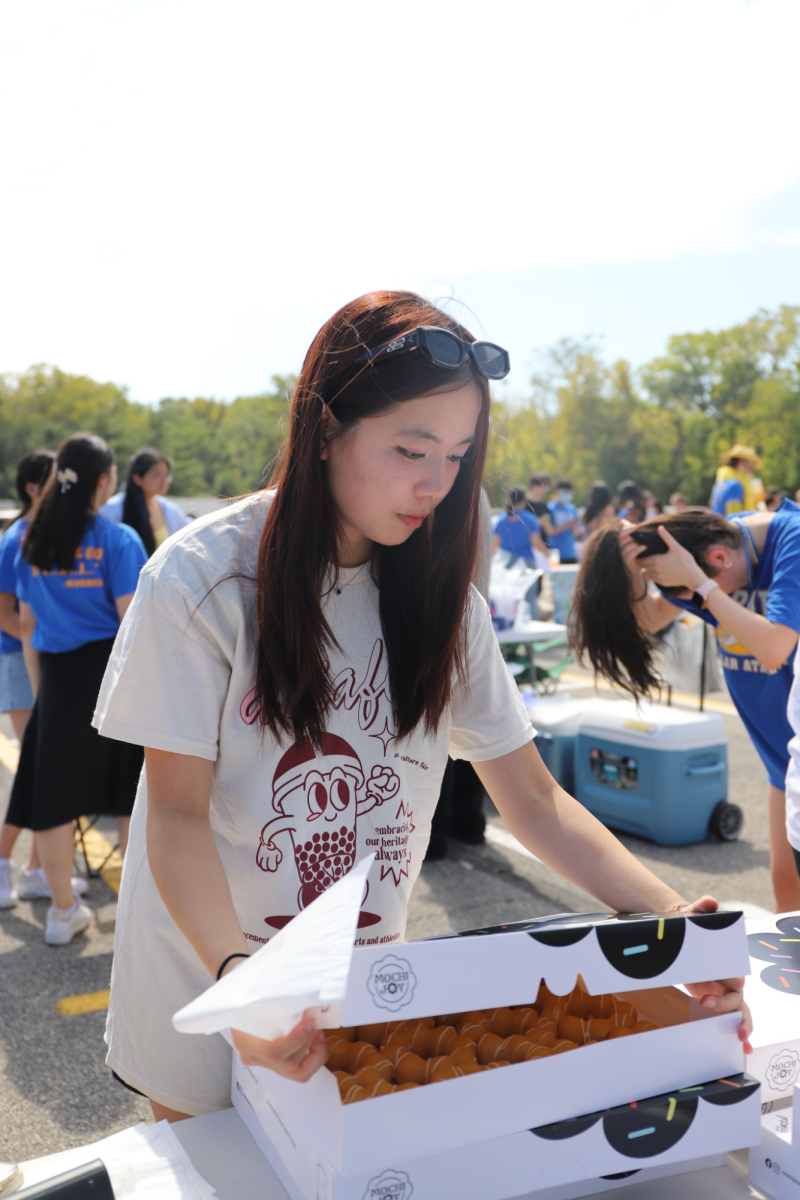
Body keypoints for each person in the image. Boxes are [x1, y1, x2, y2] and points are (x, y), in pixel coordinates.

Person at [91, 291, 749, 1123]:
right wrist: (242, 985)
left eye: (458, 456)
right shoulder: (203, 579)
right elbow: (177, 817)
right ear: (326, 428)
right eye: (412, 449)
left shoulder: (444, 602)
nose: (436, 483)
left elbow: (536, 803)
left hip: (360, 992)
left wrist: (670, 919)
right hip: (211, 983)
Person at [570, 503, 800, 913]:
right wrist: (630, 573)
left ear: (717, 560)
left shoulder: (790, 541)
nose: (695, 604)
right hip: (781, 759)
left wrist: (699, 583)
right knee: (787, 887)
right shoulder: (710, 550)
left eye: (693, 591)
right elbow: (648, 619)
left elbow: (773, 648)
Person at [5, 434, 148, 945]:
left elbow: (25, 625)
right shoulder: (119, 539)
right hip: (113, 674)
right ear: (104, 481)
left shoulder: (30, 540)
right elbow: (130, 622)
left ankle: (62, 911)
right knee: (132, 796)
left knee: (53, 797)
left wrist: (46, 689)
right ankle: (135, 911)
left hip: (59, 674)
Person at [0, 449, 75, 909]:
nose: (66, 486)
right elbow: (4, 611)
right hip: (19, 661)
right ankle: (6, 862)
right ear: (33, 487)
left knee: (45, 772)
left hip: (39, 660)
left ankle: (36, 873)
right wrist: (39, 637)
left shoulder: (44, 533)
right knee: (36, 770)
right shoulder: (17, 538)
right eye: (56, 478)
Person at [101, 447, 191, 556]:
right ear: (137, 478)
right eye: (156, 475)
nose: (164, 480)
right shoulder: (113, 508)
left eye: (166, 474)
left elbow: (192, 532)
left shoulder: (169, 509)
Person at [492, 487, 546, 568]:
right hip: (527, 563)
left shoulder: (500, 520)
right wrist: (546, 552)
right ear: (524, 500)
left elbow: (495, 544)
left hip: (506, 563)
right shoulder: (531, 519)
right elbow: (536, 543)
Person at [710, 445, 763, 515]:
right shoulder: (735, 485)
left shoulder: (720, 483)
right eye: (751, 464)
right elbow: (734, 518)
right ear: (741, 462)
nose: (752, 470)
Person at [546, 480, 580, 563]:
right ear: (557, 492)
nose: (567, 494)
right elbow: (550, 532)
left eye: (569, 492)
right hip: (555, 554)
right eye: (564, 492)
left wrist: (574, 527)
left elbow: (576, 533)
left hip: (571, 553)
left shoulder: (572, 509)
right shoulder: (550, 508)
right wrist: (566, 525)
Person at [524, 473, 551, 545]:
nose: (544, 489)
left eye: (546, 486)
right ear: (533, 486)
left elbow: (548, 528)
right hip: (525, 546)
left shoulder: (544, 504)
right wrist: (536, 522)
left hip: (542, 545)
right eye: (542, 486)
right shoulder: (522, 503)